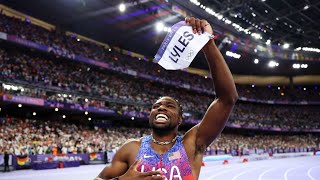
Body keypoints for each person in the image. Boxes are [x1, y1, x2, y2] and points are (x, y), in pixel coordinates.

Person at [95, 17, 238, 180]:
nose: (161, 108)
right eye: (156, 106)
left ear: (179, 119)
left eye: (169, 106)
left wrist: (207, 43)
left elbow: (227, 98)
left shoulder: (191, 144)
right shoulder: (131, 149)